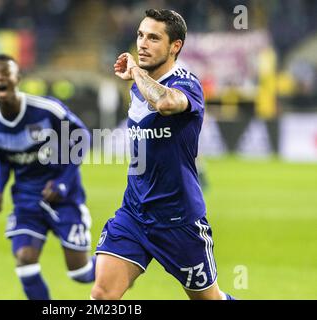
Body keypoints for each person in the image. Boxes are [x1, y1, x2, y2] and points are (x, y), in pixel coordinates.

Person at [91, 9, 235, 300]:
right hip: (134, 213)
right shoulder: (137, 88)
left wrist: (136, 72)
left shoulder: (185, 83)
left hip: (179, 220)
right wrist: (138, 76)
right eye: (141, 35)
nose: (143, 43)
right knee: (102, 295)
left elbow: (166, 103)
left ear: (175, 46)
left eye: (154, 38)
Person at [0, 54, 95, 300]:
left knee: (81, 273)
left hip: (64, 196)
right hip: (27, 199)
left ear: (17, 79)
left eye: (5, 73)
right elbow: (1, 157)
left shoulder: (46, 110)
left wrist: (63, 181)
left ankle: (122, 266)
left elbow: (82, 137)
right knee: (24, 259)